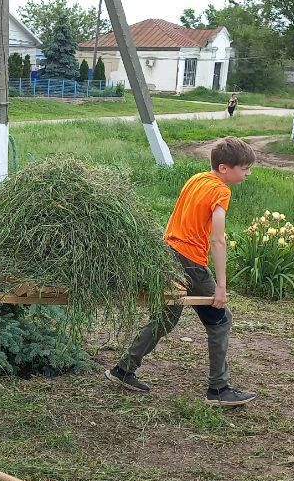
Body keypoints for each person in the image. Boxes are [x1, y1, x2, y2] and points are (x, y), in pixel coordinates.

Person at [105, 136, 258, 406]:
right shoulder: (221, 191)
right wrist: (220, 286)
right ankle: (219, 390)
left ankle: (123, 369)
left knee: (167, 315)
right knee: (220, 319)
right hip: (191, 262)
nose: (248, 173)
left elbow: (176, 215)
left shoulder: (196, 179)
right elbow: (218, 239)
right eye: (244, 168)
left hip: (168, 254)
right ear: (224, 168)